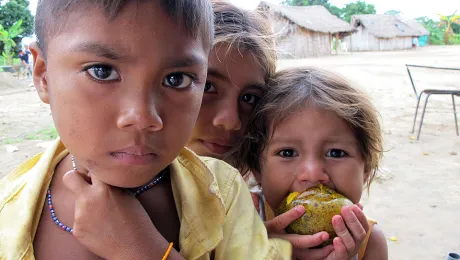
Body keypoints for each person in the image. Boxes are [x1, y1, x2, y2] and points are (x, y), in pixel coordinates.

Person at [0, 0, 292, 259]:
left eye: (177, 79)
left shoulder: (224, 195)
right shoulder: (6, 213)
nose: (143, 117)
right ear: (43, 76)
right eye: (102, 71)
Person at [234, 67, 389, 260]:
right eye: (288, 152)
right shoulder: (241, 228)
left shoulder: (370, 243)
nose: (314, 174)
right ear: (257, 169)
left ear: (365, 169)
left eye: (336, 153)